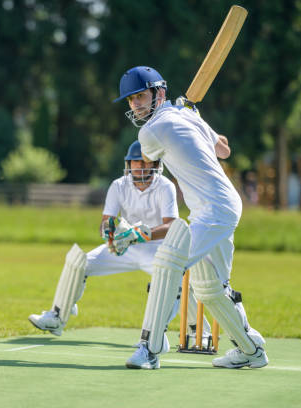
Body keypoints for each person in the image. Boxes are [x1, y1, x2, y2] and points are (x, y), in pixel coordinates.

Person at [114, 66, 267, 370]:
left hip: (215, 209)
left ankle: (150, 348)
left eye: (141, 96)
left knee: (168, 263)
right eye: (131, 100)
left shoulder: (151, 131)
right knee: (211, 288)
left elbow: (154, 155)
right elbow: (224, 149)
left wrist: (190, 116)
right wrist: (197, 117)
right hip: (217, 207)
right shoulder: (187, 117)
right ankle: (252, 350)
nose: (135, 105)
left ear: (160, 93)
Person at [28, 141, 212, 350]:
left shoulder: (165, 186)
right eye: (136, 162)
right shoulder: (118, 185)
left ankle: (199, 332)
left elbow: (170, 225)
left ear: (155, 165)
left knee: (173, 279)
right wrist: (109, 232)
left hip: (156, 248)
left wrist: (141, 234)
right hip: (125, 246)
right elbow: (106, 221)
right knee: (80, 261)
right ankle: (57, 316)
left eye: (146, 162)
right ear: (129, 163)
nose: (141, 166)